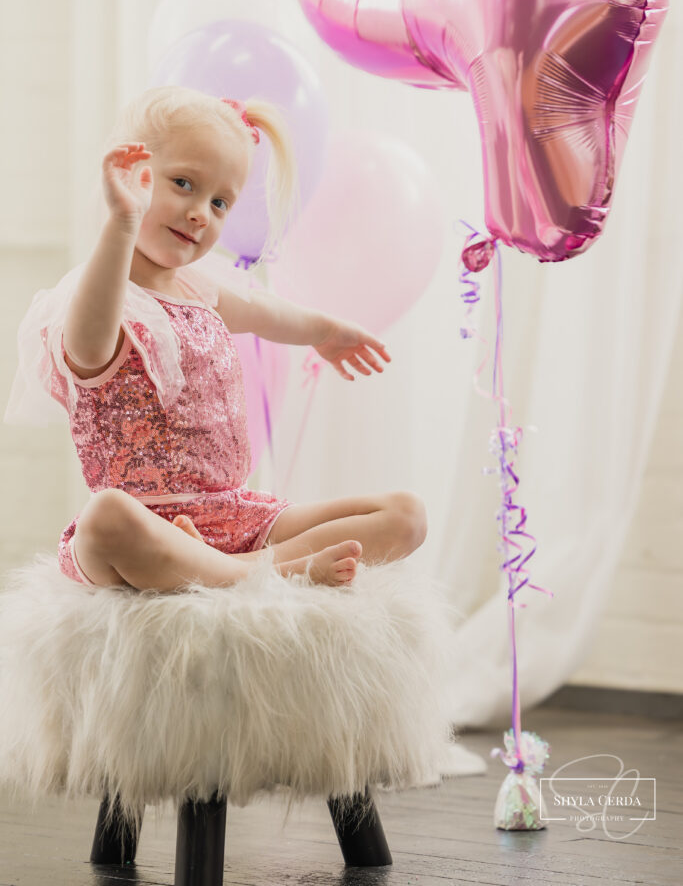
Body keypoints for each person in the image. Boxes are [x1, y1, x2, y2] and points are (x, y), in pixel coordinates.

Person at [4, 86, 427, 593]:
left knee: (406, 515)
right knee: (105, 518)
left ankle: (245, 569)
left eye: (220, 201)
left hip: (234, 517)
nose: (202, 212)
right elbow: (89, 346)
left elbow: (263, 312)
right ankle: (263, 573)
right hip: (151, 525)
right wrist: (123, 221)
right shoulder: (98, 299)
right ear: (134, 178)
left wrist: (325, 331)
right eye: (184, 183)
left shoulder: (195, 287)